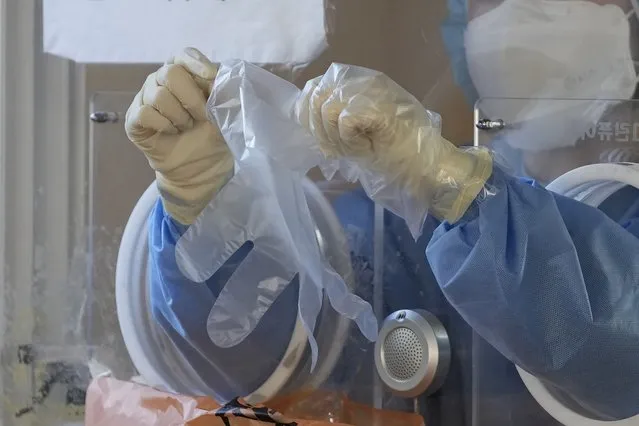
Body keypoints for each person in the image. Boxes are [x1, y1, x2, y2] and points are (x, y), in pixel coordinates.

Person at [125, 0, 639, 421]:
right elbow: (265, 369)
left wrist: (456, 186)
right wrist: (203, 199)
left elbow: (623, 361)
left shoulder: (436, 188)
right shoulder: (399, 216)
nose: (524, 12)